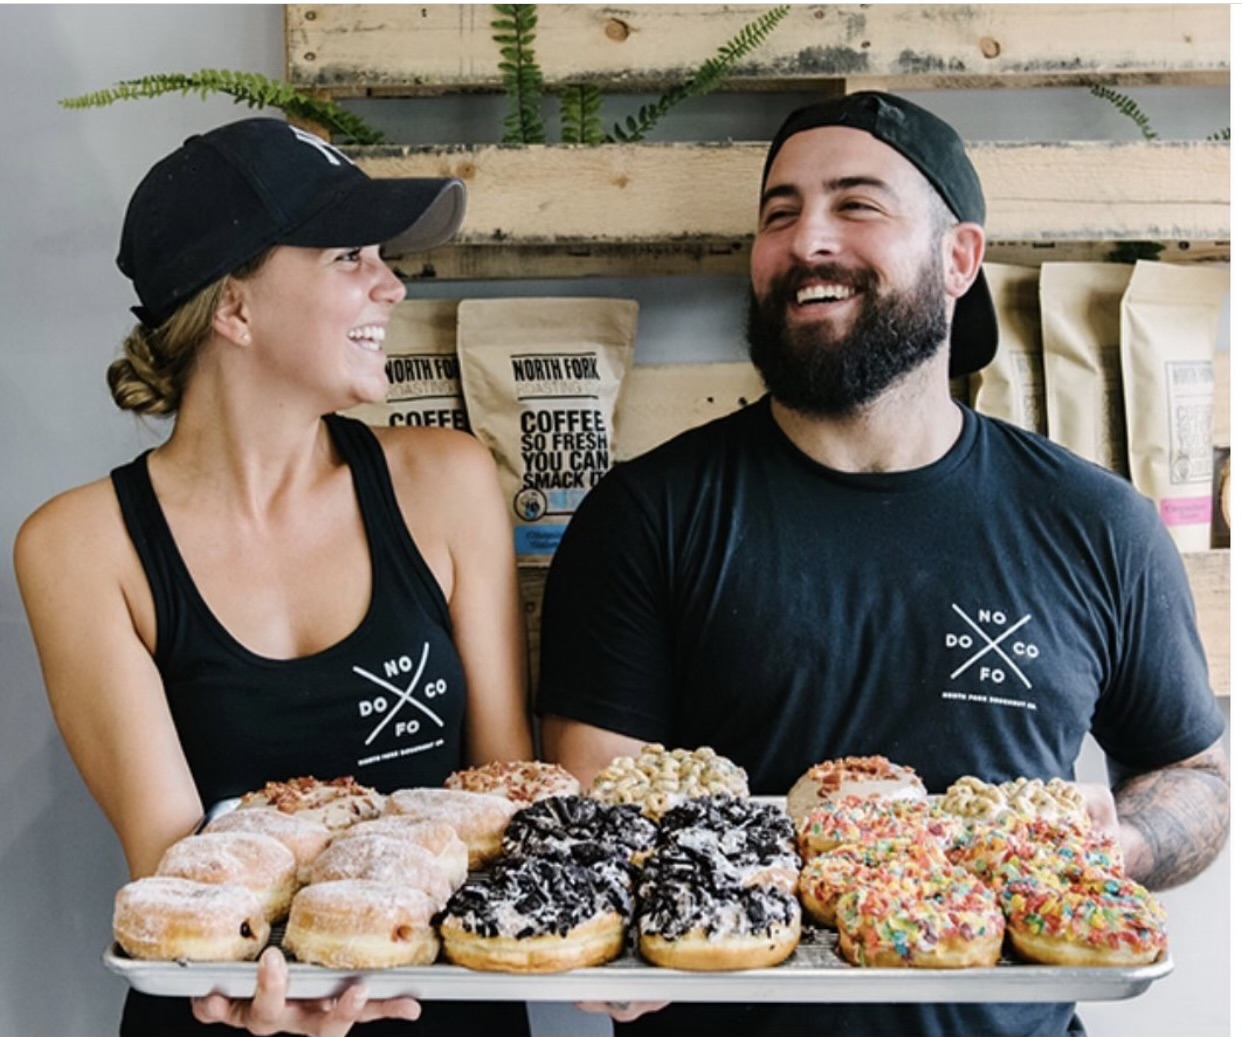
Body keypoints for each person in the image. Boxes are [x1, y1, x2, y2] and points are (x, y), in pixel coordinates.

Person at [536, 92, 1229, 1036]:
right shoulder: (646, 514)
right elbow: (597, 784)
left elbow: (1193, 773)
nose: (807, 238)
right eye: (779, 213)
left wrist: (1128, 838)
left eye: (855, 204)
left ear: (959, 258)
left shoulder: (1096, 522)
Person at [14, 118, 533, 1037]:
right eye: (347, 255)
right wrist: (266, 989)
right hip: (230, 1020)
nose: (392, 282)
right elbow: (185, 884)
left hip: (444, 1013)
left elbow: (506, 798)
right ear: (235, 308)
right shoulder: (81, 547)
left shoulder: (448, 483)